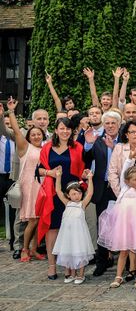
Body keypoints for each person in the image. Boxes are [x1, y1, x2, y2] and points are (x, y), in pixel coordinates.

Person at [36, 117, 85, 281]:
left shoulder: (77, 147)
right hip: (53, 193)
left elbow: (82, 169)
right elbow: (39, 170)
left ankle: (68, 266)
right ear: (56, 130)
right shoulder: (47, 148)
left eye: (68, 129)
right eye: (62, 128)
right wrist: (50, 173)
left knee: (70, 229)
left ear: (72, 131)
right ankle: (51, 264)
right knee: (53, 228)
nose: (65, 131)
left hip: (72, 194)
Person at [98, 163, 136, 289]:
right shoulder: (123, 190)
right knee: (123, 251)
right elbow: (124, 171)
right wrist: (130, 159)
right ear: (127, 181)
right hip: (125, 227)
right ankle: (118, 276)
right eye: (135, 179)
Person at [4, 98, 45, 262]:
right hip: (29, 186)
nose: (36, 136)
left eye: (38, 134)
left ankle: (34, 249)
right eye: (33, 134)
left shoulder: (45, 148)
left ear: (42, 135)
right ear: (29, 136)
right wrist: (11, 111)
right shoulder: (25, 147)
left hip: (41, 186)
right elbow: (15, 129)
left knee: (39, 219)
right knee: (31, 219)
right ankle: (24, 249)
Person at [83, 110, 121, 277]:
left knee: (121, 224)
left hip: (119, 188)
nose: (110, 126)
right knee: (102, 224)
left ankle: (124, 261)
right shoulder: (96, 140)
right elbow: (86, 158)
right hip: (101, 188)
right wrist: (89, 144)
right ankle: (102, 261)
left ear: (119, 125)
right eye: (107, 123)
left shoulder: (124, 141)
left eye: (113, 123)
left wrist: (115, 148)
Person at [52, 169, 95, 284]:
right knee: (68, 251)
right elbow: (58, 190)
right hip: (67, 234)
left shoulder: (82, 204)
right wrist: (58, 177)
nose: (77, 196)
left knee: (79, 252)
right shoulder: (67, 203)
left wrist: (90, 179)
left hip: (79, 234)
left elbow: (90, 193)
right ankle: (69, 273)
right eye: (74, 194)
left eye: (79, 193)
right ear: (68, 195)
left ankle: (80, 275)